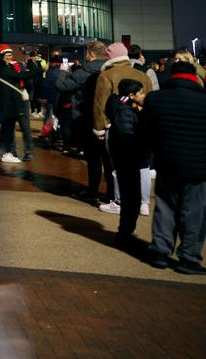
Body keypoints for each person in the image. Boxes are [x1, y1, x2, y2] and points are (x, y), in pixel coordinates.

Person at [142, 61, 206, 274]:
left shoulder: (156, 99)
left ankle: (160, 251)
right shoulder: (203, 100)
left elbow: (147, 131)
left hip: (167, 161)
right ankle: (189, 257)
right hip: (198, 166)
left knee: (165, 207)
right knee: (194, 213)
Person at [93, 42, 152, 229]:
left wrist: (99, 128)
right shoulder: (142, 75)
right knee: (142, 166)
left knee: (118, 166)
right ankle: (144, 203)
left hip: (116, 126)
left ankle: (119, 201)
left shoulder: (106, 75)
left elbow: (100, 104)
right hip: (141, 125)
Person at [57, 41, 110, 200]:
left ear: (91, 54)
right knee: (108, 160)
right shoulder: (110, 70)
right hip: (108, 119)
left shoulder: (84, 71)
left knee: (92, 158)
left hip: (87, 118)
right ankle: (111, 194)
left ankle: (92, 191)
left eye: (87, 53)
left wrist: (63, 72)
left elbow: (62, 86)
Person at [0, 44, 35, 163]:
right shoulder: (0, 68)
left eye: (10, 55)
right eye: (7, 55)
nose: (9, 57)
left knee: (24, 127)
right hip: (11, 101)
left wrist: (25, 91)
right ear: (1, 56)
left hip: (21, 99)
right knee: (9, 127)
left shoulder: (18, 65)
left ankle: (28, 151)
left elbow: (27, 80)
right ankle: (11, 151)